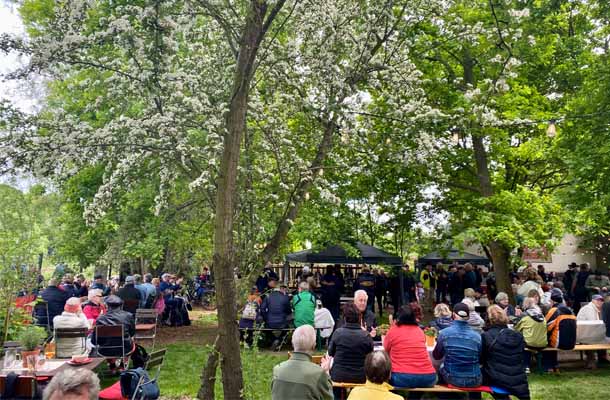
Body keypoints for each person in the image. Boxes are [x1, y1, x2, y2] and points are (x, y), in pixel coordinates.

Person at [481, 305, 530, 400]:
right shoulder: (518, 335)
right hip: (518, 378)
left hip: (496, 377)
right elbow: (522, 356)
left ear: (489, 318)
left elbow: (482, 359)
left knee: (472, 377)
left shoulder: (486, 336)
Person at [271, 325, 333, 400]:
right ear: (314, 345)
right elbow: (329, 398)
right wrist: (326, 372)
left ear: (292, 343)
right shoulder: (318, 374)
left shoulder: (277, 369)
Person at [383, 305, 436, 389]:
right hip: (428, 377)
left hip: (401, 377)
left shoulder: (393, 331)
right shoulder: (420, 331)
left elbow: (385, 350)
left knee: (386, 376)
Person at [432, 302, 482, 388]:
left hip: (452, 377)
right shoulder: (477, 337)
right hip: (474, 379)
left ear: (453, 315)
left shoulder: (444, 333)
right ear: (468, 317)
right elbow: (480, 357)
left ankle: (444, 396)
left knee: (441, 368)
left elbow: (436, 356)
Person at [328, 303, 374, 397]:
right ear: (359, 318)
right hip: (360, 376)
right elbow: (371, 356)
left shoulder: (338, 333)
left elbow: (330, 352)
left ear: (344, 318)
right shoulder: (365, 335)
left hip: (339, 375)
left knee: (336, 390)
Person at [92, 295, 135, 362]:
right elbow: (132, 333)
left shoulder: (100, 319)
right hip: (124, 349)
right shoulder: (128, 316)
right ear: (121, 305)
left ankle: (113, 363)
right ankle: (122, 363)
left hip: (104, 350)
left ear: (107, 305)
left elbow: (94, 341)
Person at [543, 291, 576, 372]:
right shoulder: (570, 310)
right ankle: (555, 365)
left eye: (550, 301)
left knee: (545, 341)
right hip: (571, 343)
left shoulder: (554, 310)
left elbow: (546, 326)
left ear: (553, 301)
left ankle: (549, 366)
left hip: (559, 343)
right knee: (553, 336)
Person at [514, 297, 547, 372]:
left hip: (530, 344)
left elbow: (516, 329)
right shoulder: (542, 316)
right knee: (530, 340)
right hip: (543, 343)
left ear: (524, 305)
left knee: (522, 341)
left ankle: (526, 366)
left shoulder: (524, 316)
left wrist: (516, 317)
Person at [576, 294, 608, 368]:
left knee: (603, 337)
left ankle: (602, 358)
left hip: (591, 331)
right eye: (598, 300)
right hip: (583, 334)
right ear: (593, 301)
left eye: (601, 300)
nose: (600, 302)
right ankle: (591, 360)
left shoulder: (598, 309)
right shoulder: (589, 308)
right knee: (594, 339)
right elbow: (593, 322)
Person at [260, 278, 292, 350]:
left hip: (269, 322)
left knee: (265, 327)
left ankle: (274, 339)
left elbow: (262, 309)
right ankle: (279, 340)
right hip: (282, 323)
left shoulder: (267, 296)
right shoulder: (285, 297)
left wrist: (266, 318)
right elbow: (289, 311)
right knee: (288, 328)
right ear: (280, 288)